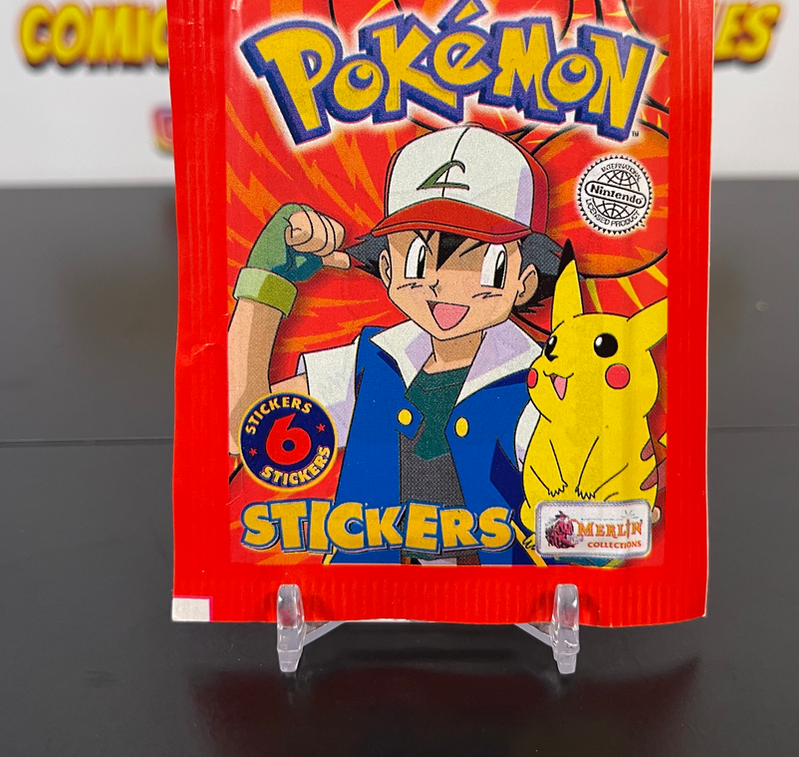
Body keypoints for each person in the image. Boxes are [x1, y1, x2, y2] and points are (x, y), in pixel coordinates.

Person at [228, 124, 561, 563]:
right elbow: (245, 429)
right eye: (419, 260)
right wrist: (264, 285)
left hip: (498, 596)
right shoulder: (373, 362)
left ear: (524, 282)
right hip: (364, 594)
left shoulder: (541, 384)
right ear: (387, 269)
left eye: (486, 264)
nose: (442, 283)